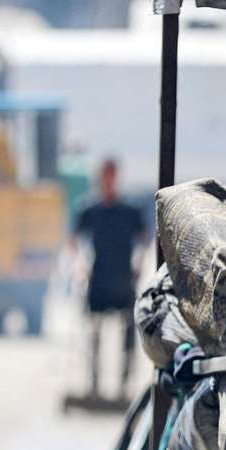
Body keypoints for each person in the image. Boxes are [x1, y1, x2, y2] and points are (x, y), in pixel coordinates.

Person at [73, 157, 147, 398]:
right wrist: (82, 265)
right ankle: (93, 385)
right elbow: (75, 241)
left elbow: (144, 239)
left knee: (127, 332)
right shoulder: (89, 210)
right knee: (94, 333)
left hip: (124, 278)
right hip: (98, 279)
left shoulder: (129, 211)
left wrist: (138, 264)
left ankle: (124, 386)